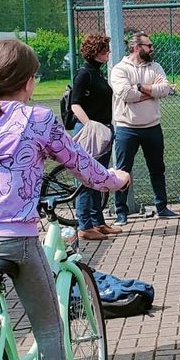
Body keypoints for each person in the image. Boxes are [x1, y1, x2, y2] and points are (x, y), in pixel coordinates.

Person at [0, 39, 130, 360]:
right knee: (48, 328)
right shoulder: (38, 119)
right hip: (14, 237)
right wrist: (115, 179)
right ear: (29, 81)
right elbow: (80, 163)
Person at [110, 32, 179, 224]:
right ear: (136, 47)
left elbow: (165, 89)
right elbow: (126, 94)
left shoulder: (155, 66)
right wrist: (150, 92)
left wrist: (139, 86)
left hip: (152, 127)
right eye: (148, 45)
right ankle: (121, 212)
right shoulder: (119, 69)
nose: (152, 49)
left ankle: (162, 207)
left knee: (157, 169)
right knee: (122, 171)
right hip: (127, 128)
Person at [69, 33, 120, 241]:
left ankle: (98, 222)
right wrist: (90, 126)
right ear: (94, 53)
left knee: (99, 177)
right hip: (91, 132)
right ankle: (85, 226)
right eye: (104, 50)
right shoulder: (84, 74)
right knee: (86, 179)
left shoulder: (97, 73)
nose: (108, 53)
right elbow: (75, 103)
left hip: (103, 130)